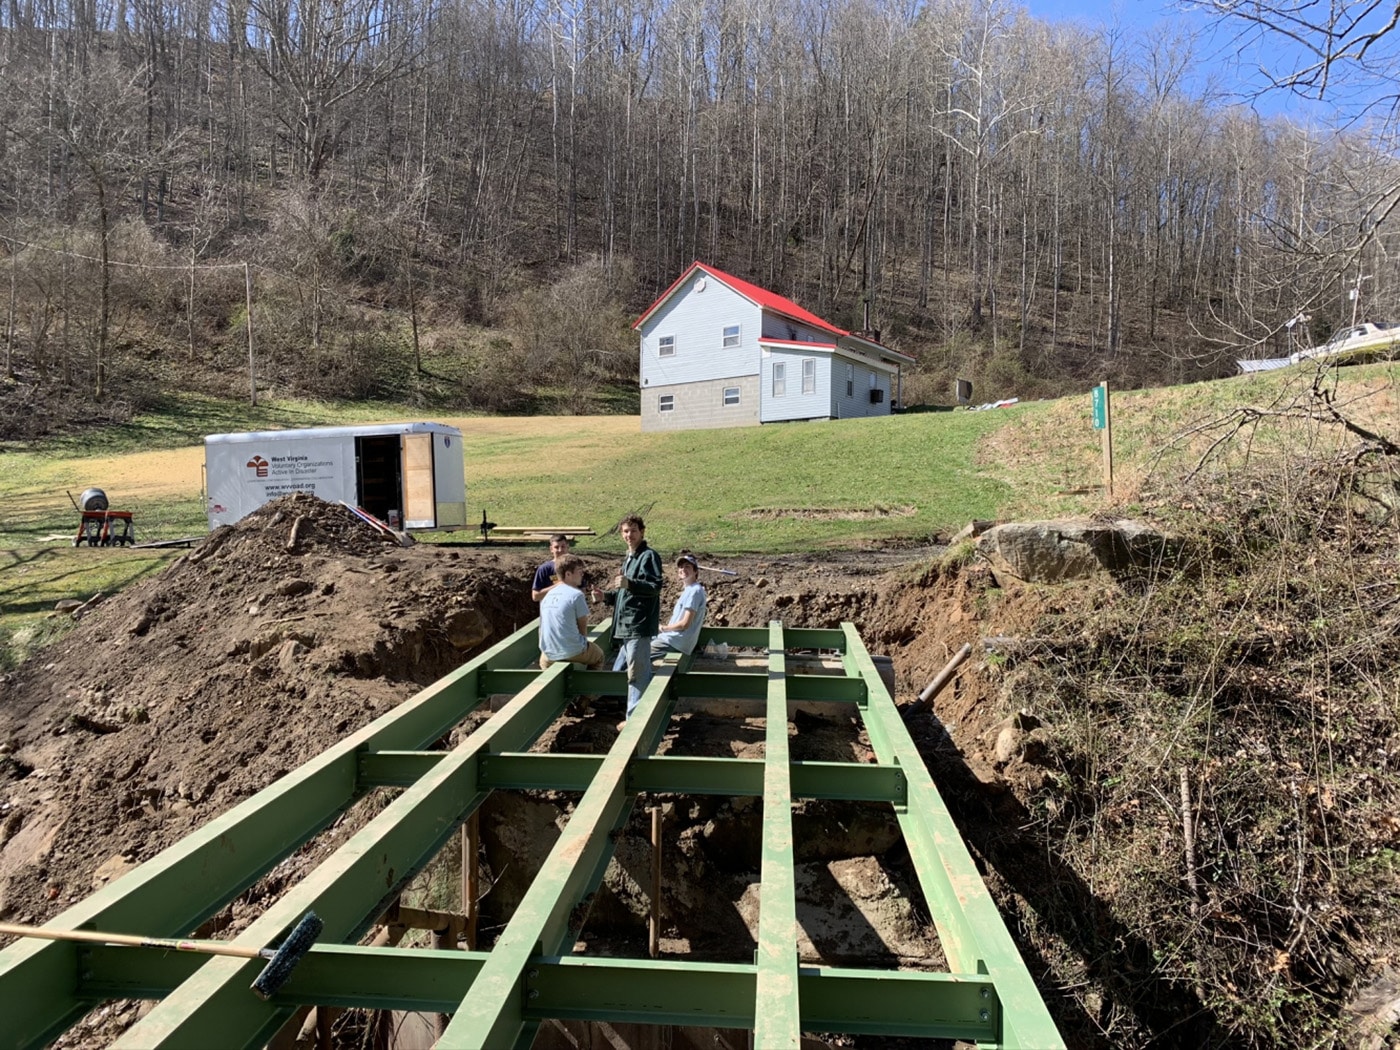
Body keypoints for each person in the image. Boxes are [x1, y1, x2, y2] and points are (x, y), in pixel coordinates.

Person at [596, 515, 663, 721]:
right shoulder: (629, 558)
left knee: (637, 674)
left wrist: (630, 583)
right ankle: (620, 709)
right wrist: (605, 596)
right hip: (626, 626)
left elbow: (654, 587)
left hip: (638, 625)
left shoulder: (648, 556)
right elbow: (624, 593)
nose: (629, 535)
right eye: (625, 531)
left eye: (633, 531)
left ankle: (636, 720)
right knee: (623, 669)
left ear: (642, 532)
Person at [537, 554, 605, 671]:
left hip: (548, 653)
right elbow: (582, 627)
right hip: (573, 651)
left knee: (544, 663)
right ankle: (589, 687)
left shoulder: (547, 595)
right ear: (568, 574)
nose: (582, 575)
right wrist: (583, 646)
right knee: (599, 656)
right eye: (579, 571)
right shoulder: (576, 595)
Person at [651, 553, 707, 658]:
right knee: (632, 647)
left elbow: (685, 624)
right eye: (681, 567)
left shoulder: (695, 591)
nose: (683, 569)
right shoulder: (689, 590)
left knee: (637, 653)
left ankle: (618, 674)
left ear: (695, 571)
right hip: (672, 639)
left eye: (687, 566)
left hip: (676, 641)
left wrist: (663, 628)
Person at [531, 534, 571, 601]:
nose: (560, 550)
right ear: (551, 549)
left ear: (567, 547)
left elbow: (582, 592)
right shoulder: (544, 569)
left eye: (563, 546)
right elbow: (535, 596)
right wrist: (558, 586)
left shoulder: (575, 566)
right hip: (551, 609)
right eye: (556, 547)